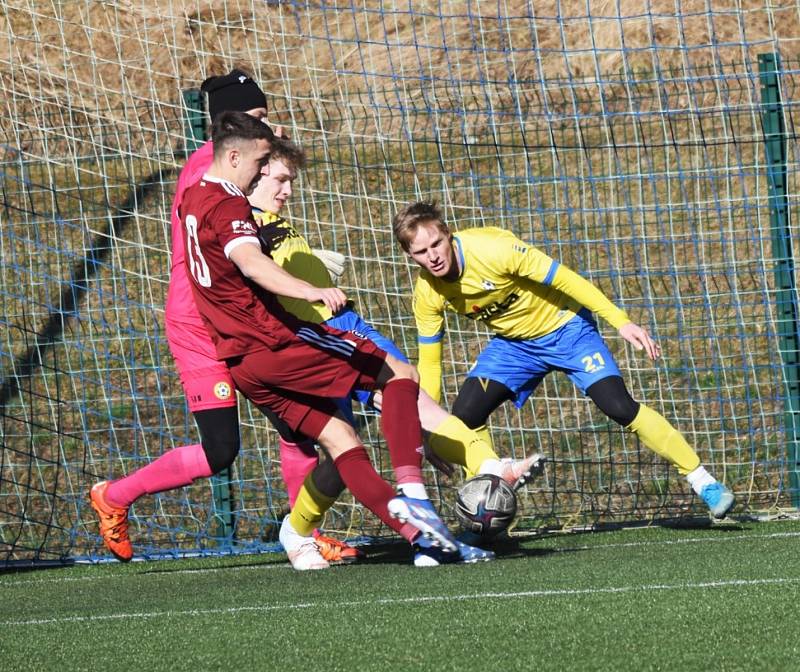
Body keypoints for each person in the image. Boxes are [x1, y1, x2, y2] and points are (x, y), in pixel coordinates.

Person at [178, 111, 492, 569]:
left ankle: (425, 543)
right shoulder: (229, 205)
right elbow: (247, 260)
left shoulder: (192, 197)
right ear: (232, 156)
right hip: (275, 342)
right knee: (398, 373)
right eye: (261, 163)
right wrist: (311, 289)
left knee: (343, 440)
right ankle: (415, 494)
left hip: (242, 364)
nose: (262, 173)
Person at [88, 69, 356, 564]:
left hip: (240, 318)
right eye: (257, 117)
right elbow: (233, 249)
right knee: (221, 450)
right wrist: (302, 284)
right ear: (229, 133)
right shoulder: (208, 174)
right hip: (200, 326)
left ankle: (305, 533)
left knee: (299, 425)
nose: (268, 124)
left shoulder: (237, 169)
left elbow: (245, 240)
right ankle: (115, 496)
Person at [248, 136, 545, 567]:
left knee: (410, 393)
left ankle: (486, 472)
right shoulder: (238, 221)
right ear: (252, 172)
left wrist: (310, 263)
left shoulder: (266, 217)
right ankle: (301, 530)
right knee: (342, 453)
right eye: (280, 180)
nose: (288, 190)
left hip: (342, 327)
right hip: (305, 342)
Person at [392, 201, 736, 520]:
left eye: (436, 244)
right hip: (514, 346)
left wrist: (622, 321)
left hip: (568, 330)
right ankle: (489, 501)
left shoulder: (493, 249)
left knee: (618, 406)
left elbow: (566, 279)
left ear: (448, 235)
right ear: (410, 256)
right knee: (463, 418)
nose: (433, 256)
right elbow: (430, 364)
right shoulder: (427, 293)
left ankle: (702, 480)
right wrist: (428, 422)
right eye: (421, 252)